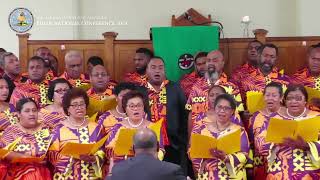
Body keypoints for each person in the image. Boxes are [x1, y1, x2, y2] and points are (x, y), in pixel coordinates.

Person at [258, 84, 320, 179]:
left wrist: (307, 146)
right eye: (289, 98)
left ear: (305, 101)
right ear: (285, 101)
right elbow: (261, 145)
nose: (293, 102)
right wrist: (276, 143)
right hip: (279, 169)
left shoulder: (316, 117)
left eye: (298, 98)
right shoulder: (274, 118)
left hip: (309, 169)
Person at [104, 91, 165, 177]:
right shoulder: (118, 127)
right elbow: (108, 150)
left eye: (139, 105)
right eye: (132, 106)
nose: (136, 109)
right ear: (125, 108)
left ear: (144, 107)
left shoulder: (153, 127)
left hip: (147, 169)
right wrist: (123, 149)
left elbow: (161, 149)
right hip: (123, 168)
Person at [144, 56, 189, 174]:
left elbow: (185, 116)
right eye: (153, 67)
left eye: (160, 67)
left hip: (173, 144)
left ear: (165, 70)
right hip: (148, 145)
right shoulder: (140, 91)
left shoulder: (175, 88)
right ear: (147, 71)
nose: (157, 70)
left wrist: (183, 140)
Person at [48, 88, 105, 179]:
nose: (79, 108)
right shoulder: (59, 128)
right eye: (74, 105)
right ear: (67, 109)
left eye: (82, 104)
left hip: (91, 175)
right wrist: (70, 158)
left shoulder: (96, 127)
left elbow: (102, 150)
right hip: (67, 176)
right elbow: (52, 154)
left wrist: (94, 158)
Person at [189, 94, 249, 179]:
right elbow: (192, 152)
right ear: (215, 109)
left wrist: (226, 158)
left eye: (226, 108)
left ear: (232, 111)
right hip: (208, 175)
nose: (222, 111)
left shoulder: (239, 131)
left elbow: (244, 155)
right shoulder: (201, 130)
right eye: (219, 107)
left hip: (232, 176)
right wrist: (203, 160)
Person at [186, 50, 243, 137]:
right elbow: (191, 115)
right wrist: (189, 140)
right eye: (208, 61)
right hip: (200, 136)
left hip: (224, 136)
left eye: (215, 60)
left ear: (222, 63)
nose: (211, 63)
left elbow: (236, 116)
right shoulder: (196, 87)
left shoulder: (232, 88)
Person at [0, 98, 52, 179]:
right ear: (18, 114)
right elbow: (3, 153)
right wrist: (27, 158)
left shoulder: (46, 128)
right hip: (18, 174)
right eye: (27, 111)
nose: (32, 114)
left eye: (34, 110)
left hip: (45, 174)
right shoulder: (11, 131)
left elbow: (55, 150)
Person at [109, 128, 186, 180]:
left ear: (133, 148)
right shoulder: (172, 171)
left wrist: (110, 175)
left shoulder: (119, 170)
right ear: (158, 146)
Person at [248, 82, 284, 179]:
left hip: (282, 166)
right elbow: (250, 144)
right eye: (267, 95)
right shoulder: (255, 116)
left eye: (274, 95)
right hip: (260, 165)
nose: (270, 98)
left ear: (281, 98)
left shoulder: (288, 115)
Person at [291, 43, 320, 111]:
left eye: (319, 60)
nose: (315, 62)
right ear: (308, 58)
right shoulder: (297, 78)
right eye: (313, 58)